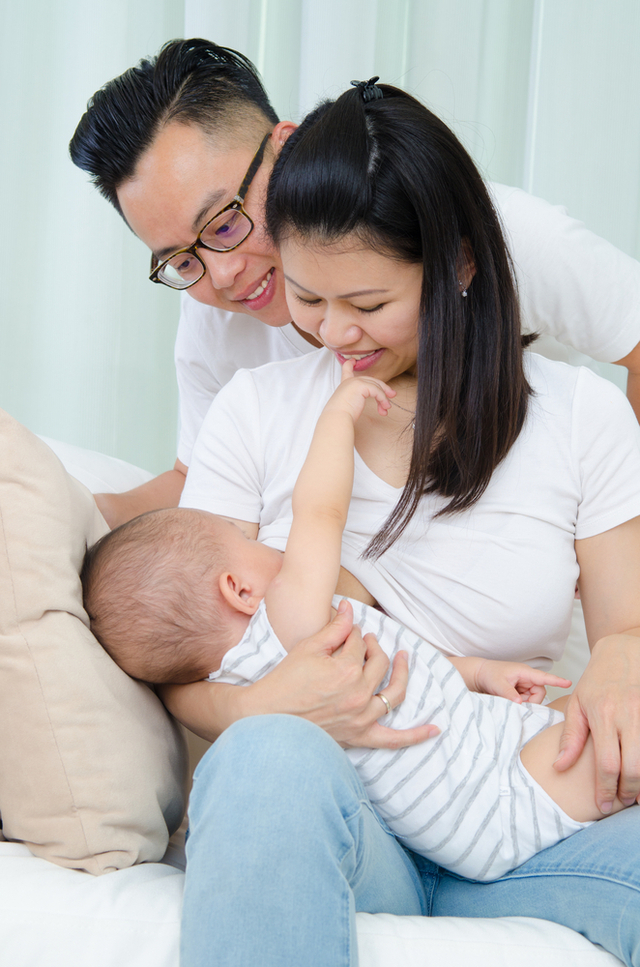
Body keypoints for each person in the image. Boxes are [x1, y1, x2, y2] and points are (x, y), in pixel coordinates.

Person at [166, 80, 640, 966]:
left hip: (517, 825)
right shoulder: (255, 412)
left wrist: (621, 654)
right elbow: (185, 657)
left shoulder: (581, 418)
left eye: (368, 304)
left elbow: (627, 627)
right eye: (307, 299)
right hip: (346, 824)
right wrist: (272, 704)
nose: (334, 332)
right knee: (266, 758)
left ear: (459, 263)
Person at [83, 359, 625, 883]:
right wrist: (337, 419)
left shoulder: (246, 676)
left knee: (586, 724)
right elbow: (321, 512)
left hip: (465, 785)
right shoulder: (291, 616)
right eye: (245, 544)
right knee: (614, 741)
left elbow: (398, 668)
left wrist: (478, 672)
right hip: (489, 788)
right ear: (239, 589)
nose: (264, 545)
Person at [69, 38, 640, 536]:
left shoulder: (495, 237)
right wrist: (73, 512)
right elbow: (197, 481)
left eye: (223, 223)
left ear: (284, 147)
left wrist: (604, 527)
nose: (223, 274)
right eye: (182, 261)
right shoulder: (215, 316)